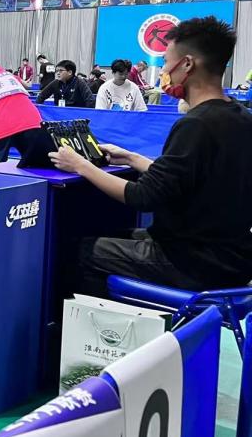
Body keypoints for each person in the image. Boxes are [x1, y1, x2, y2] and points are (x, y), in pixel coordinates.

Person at [50, 16, 252, 296]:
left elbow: (142, 196)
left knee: (79, 250)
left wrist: (81, 165)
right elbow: (190, 177)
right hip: (232, 258)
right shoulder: (241, 118)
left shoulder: (196, 125)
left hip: (190, 260)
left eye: (166, 62)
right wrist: (132, 158)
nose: (164, 71)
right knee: (110, 231)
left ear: (187, 64)